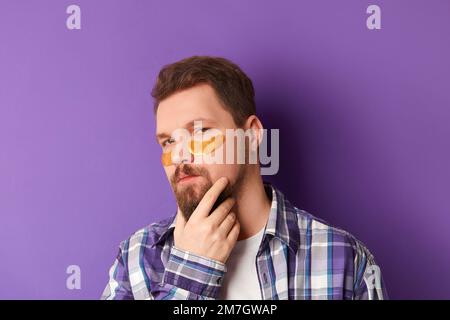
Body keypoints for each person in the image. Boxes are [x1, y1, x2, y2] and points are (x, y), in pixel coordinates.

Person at [101, 55, 387, 300]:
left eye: (200, 132)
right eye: (168, 142)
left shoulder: (344, 259)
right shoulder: (136, 258)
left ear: (251, 135)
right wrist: (191, 275)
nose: (179, 156)